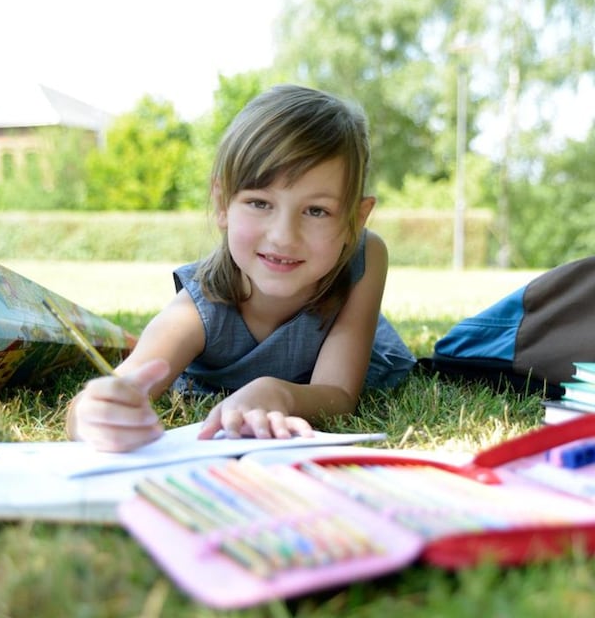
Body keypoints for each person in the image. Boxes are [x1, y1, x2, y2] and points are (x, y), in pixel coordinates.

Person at [67, 84, 415, 452]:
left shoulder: (366, 254)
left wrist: (277, 393)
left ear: (355, 220)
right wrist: (91, 415)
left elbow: (340, 395)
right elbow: (113, 389)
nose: (283, 236)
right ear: (223, 205)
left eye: (316, 211)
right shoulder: (195, 311)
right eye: (260, 202)